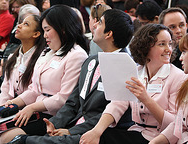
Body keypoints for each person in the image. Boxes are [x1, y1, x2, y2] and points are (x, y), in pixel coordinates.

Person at [7, 8, 134, 144]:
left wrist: (71, 131)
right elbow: (73, 102)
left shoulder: (125, 66)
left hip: (99, 132)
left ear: (108, 34)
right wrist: (54, 124)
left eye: (100, 23)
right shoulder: (92, 60)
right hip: (73, 125)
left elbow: (110, 113)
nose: (94, 25)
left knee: (21, 141)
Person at [0, 4, 89, 143]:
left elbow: (64, 98)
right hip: (36, 111)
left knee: (7, 137)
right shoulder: (48, 51)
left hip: (55, 116)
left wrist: (31, 107)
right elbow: (34, 89)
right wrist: (11, 104)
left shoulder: (77, 55)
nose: (44, 35)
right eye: (44, 30)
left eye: (47, 30)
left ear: (62, 29)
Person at [80, 23, 188, 144]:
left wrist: (147, 100)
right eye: (162, 44)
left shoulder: (178, 77)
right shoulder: (136, 72)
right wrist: (96, 131)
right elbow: (117, 104)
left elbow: (176, 125)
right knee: (102, 135)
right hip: (136, 132)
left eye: (170, 43)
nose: (168, 49)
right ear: (146, 47)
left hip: (160, 138)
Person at [0, 12, 46, 144]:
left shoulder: (41, 58)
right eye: (20, 22)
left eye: (26, 24)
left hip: (26, 108)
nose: (20, 26)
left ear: (36, 34)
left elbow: (33, 91)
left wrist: (7, 108)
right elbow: (5, 88)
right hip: (9, 108)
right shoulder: (13, 57)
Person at [149, 34, 188, 144]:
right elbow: (179, 124)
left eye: (184, 52)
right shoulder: (186, 84)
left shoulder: (178, 76)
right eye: (162, 44)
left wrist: (145, 99)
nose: (180, 57)